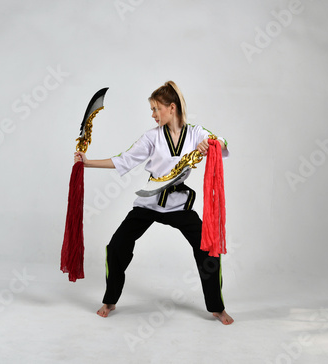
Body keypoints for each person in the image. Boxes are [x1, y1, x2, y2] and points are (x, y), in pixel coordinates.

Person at [74, 81, 234, 325]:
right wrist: (87, 162)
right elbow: (124, 160)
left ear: (172, 108)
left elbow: (222, 143)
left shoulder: (195, 133)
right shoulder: (152, 137)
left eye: (155, 108)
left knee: (207, 250)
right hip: (148, 203)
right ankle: (110, 299)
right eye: (151, 109)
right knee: (116, 246)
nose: (152, 114)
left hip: (178, 205)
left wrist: (211, 144)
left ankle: (217, 307)